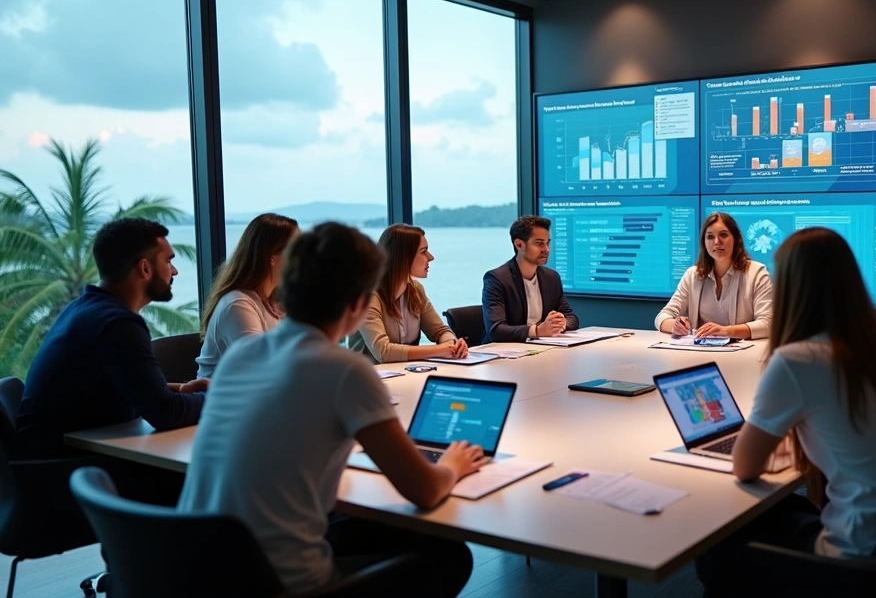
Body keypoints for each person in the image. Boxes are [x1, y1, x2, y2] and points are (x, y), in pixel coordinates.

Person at [177, 223, 481, 596]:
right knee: (449, 555)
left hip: (198, 571)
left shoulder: (243, 354)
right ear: (358, 303)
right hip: (281, 584)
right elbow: (424, 489)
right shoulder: (344, 370)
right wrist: (453, 463)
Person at [695, 227, 876, 596]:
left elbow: (744, 465)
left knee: (719, 538)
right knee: (783, 508)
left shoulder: (799, 359)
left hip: (865, 560)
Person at [17, 218, 207, 459]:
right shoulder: (117, 323)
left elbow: (126, 387)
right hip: (66, 470)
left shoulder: (84, 307)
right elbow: (165, 413)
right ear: (145, 268)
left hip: (52, 461)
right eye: (169, 260)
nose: (175, 271)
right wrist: (218, 398)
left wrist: (182, 390)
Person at [195, 213, 298, 378]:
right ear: (273, 256)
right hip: (224, 401)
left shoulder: (276, 303)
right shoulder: (238, 304)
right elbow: (261, 371)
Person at [352, 224, 469, 362]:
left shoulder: (416, 289)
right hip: (368, 379)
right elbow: (383, 352)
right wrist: (440, 350)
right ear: (403, 256)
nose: (431, 257)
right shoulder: (368, 295)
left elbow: (440, 331)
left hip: (406, 375)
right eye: (423, 251)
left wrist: (452, 343)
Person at [655, 212, 772, 339]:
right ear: (704, 243)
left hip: (742, 354)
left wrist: (726, 331)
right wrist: (675, 326)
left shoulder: (757, 273)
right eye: (710, 237)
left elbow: (768, 324)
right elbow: (662, 317)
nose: (717, 242)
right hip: (698, 353)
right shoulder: (692, 275)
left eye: (723, 235)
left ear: (736, 239)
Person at [481, 215, 579, 344]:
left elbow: (572, 317)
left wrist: (562, 323)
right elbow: (496, 330)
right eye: (539, 243)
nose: (546, 249)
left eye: (547, 243)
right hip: (503, 353)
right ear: (519, 244)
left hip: (541, 348)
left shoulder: (551, 277)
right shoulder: (497, 279)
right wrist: (537, 331)